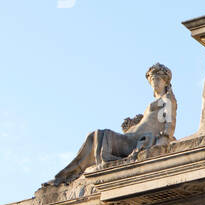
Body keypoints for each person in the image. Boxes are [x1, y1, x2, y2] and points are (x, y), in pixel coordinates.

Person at [48, 63, 176, 187]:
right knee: (94, 135)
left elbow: (169, 124)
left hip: (138, 142)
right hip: (131, 136)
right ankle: (68, 175)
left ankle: (68, 176)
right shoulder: (155, 102)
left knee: (101, 135)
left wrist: (163, 141)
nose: (155, 82)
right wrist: (133, 125)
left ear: (165, 81)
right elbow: (147, 121)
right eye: (153, 79)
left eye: (158, 79)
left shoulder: (167, 99)